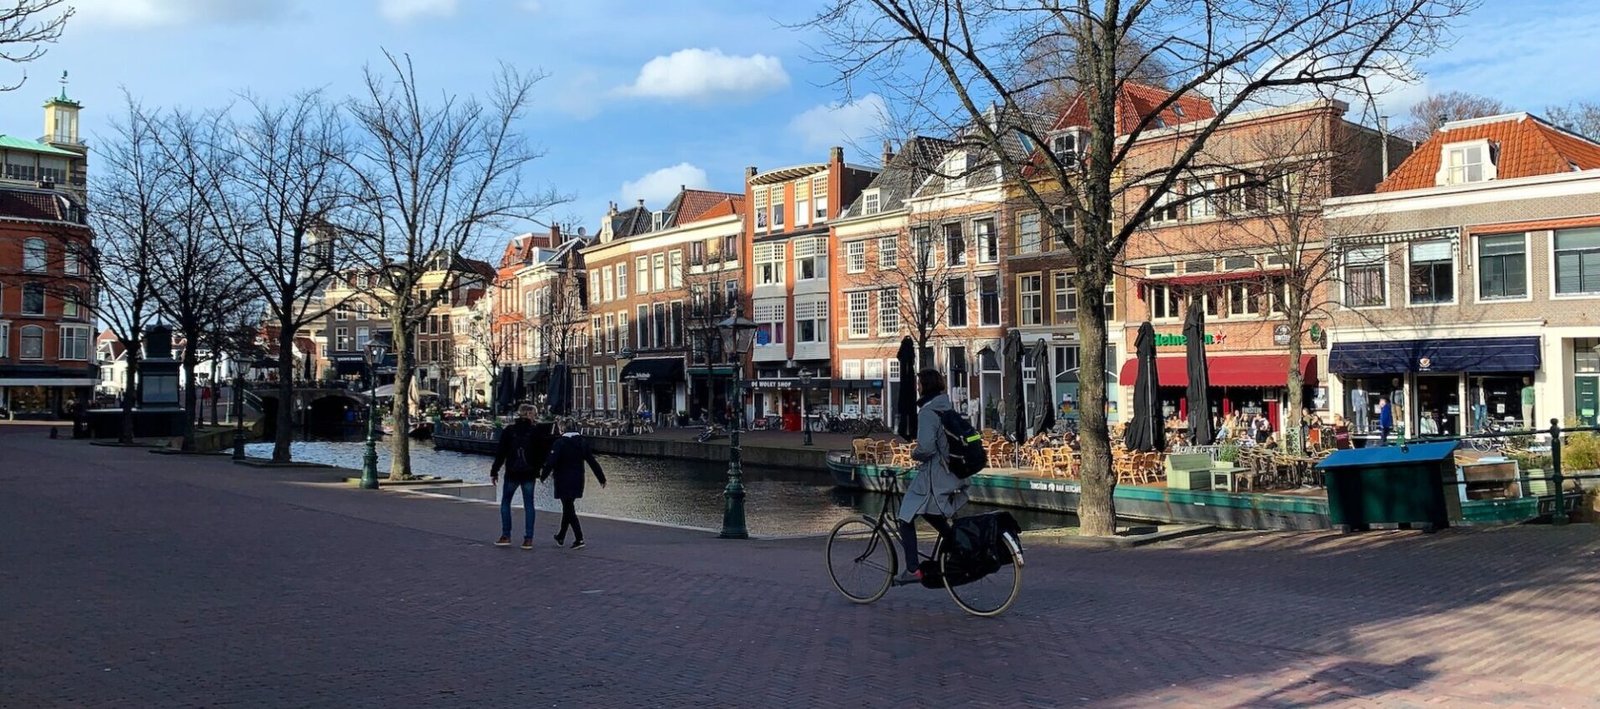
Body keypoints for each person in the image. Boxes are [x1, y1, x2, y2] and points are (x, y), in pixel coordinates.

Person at [895, 368, 970, 585]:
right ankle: (959, 546)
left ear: (924, 386)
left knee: (904, 517)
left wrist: (914, 454)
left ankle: (912, 569)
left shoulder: (928, 412)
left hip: (935, 476)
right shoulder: (947, 407)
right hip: (953, 474)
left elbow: (926, 448)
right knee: (930, 512)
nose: (917, 387)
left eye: (919, 384)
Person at [489, 404, 555, 549]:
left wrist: (494, 471)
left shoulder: (509, 430)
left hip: (512, 472)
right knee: (529, 505)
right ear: (529, 414)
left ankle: (506, 536)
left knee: (506, 502)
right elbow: (543, 453)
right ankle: (528, 539)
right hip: (529, 474)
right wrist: (538, 469)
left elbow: (501, 453)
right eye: (534, 414)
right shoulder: (536, 431)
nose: (536, 417)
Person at [541, 416, 606, 550]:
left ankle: (579, 538)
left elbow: (551, 461)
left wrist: (543, 476)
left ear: (563, 428)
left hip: (563, 479)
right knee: (568, 506)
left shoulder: (559, 443)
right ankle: (561, 536)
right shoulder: (582, 442)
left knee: (569, 508)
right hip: (577, 479)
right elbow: (592, 461)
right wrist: (601, 478)